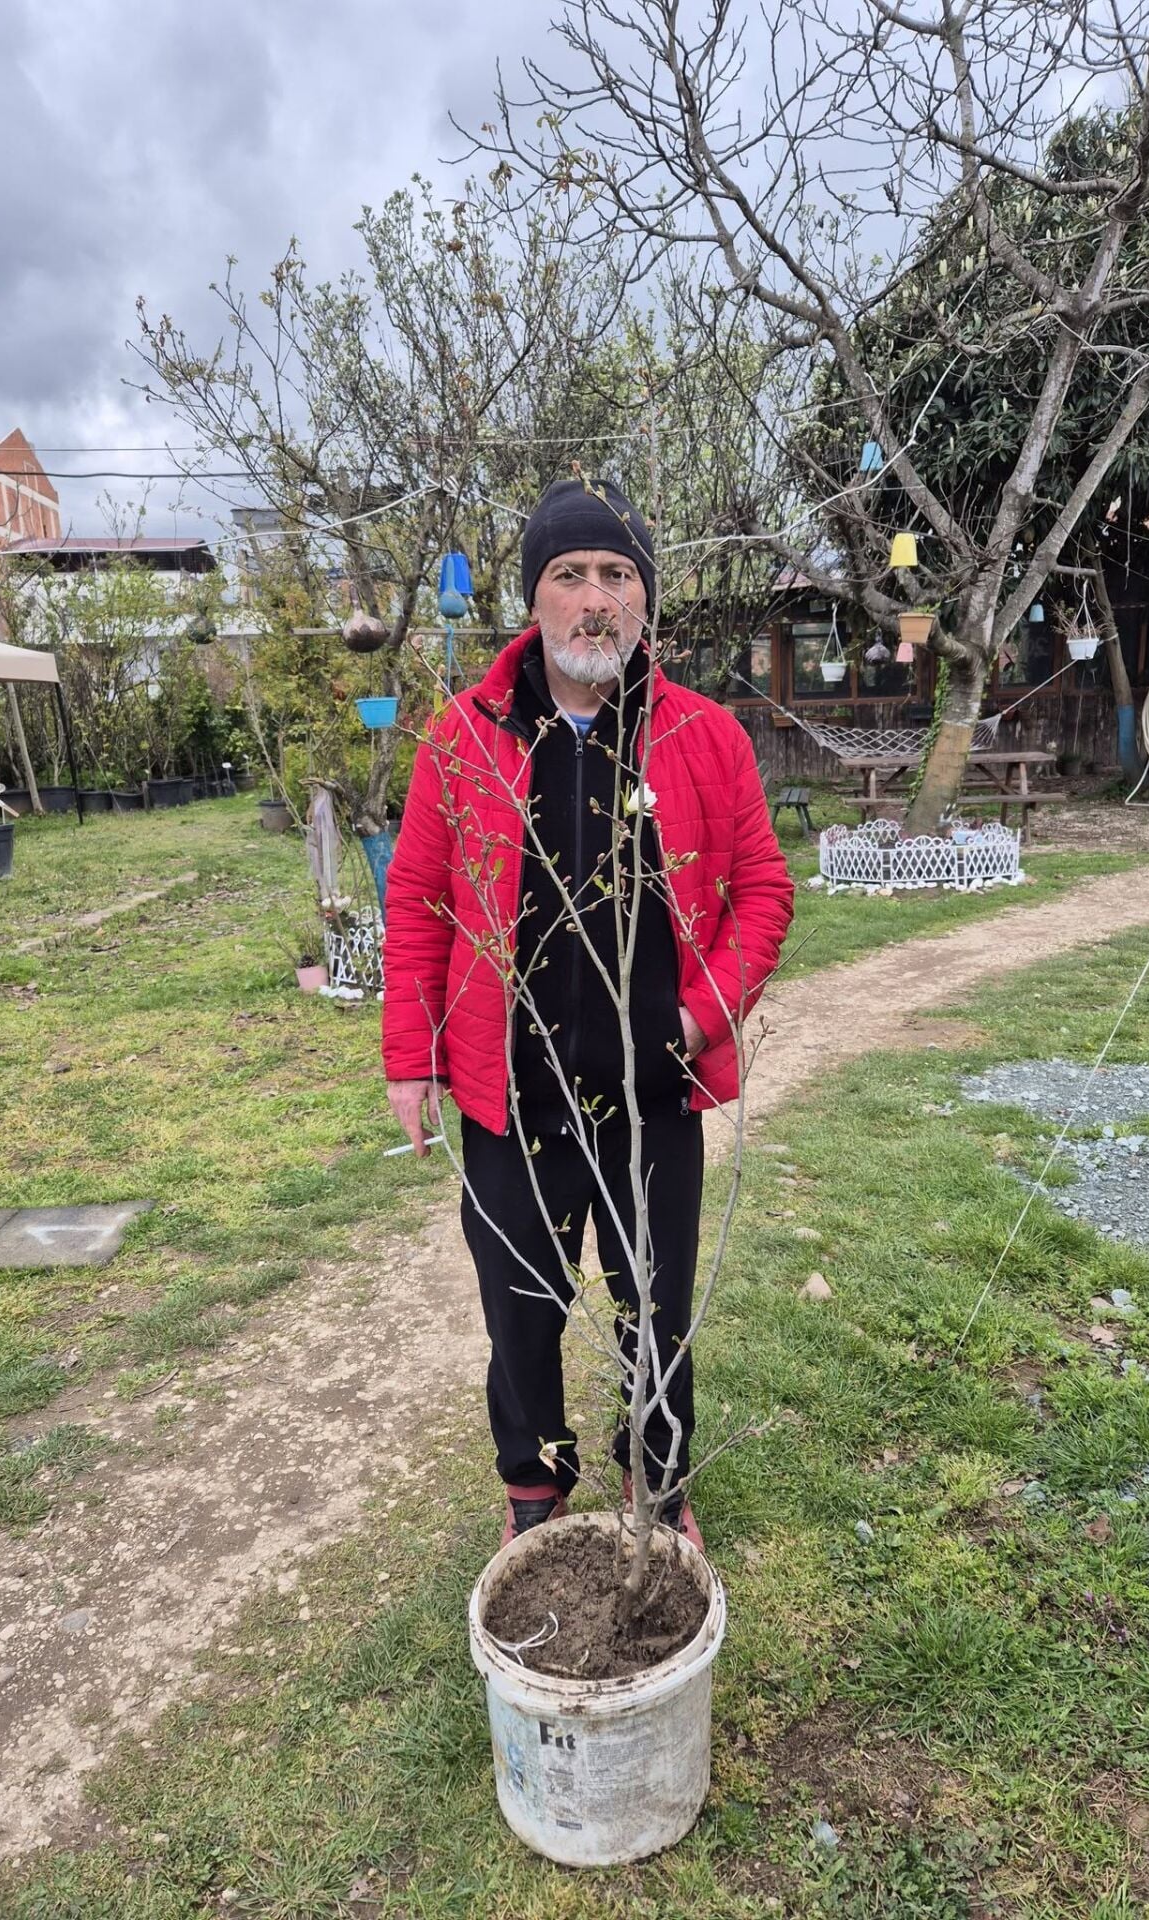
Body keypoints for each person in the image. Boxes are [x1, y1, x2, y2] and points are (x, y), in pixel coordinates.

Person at [382, 478, 794, 1547]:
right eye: (570, 575)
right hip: (512, 1102)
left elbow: (763, 892)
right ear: (535, 600)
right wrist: (411, 1057)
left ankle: (656, 1477)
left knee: (655, 1307)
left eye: (618, 574)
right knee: (520, 1308)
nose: (595, 599)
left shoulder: (704, 735)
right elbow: (418, 901)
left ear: (645, 599)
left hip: (652, 1094)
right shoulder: (461, 740)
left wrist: (698, 1020)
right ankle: (534, 1485)